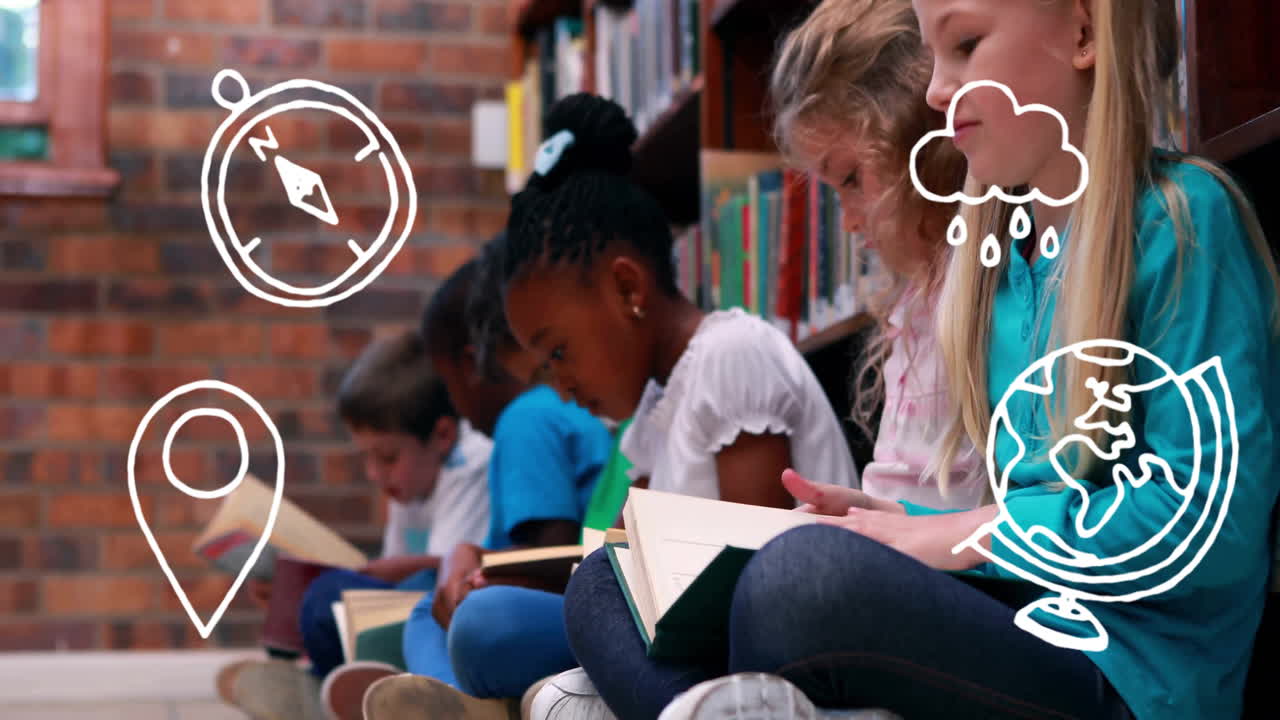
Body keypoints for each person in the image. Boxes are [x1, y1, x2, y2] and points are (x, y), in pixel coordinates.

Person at [585, 0, 1280, 718]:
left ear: (1082, 32)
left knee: (797, 580)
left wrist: (958, 534)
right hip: (1022, 614)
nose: (937, 90)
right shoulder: (1003, 264)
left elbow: (1208, 525)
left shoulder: (1183, 221)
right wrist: (893, 518)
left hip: (1129, 673)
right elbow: (1018, 517)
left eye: (967, 45)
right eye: (933, 55)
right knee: (609, 581)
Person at [502, 92, 860, 719]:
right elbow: (620, 568)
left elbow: (753, 578)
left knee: (588, 597)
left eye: (557, 352)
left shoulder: (732, 352)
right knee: (509, 619)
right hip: (697, 650)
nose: (559, 385)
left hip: (778, 649)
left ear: (627, 287)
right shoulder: (654, 414)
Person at [361, 251, 613, 720]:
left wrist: (479, 568)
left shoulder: (525, 420)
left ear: (471, 363)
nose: (453, 404)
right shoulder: (547, 415)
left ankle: (464, 703)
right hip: (585, 601)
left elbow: (548, 555)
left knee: (461, 616)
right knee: (428, 610)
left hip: (574, 609)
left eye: (448, 383)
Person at [217, 331, 492, 720]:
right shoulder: (410, 482)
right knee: (319, 598)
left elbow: (444, 576)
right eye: (366, 458)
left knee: (329, 598)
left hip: (443, 615)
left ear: (443, 435)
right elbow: (393, 573)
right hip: (410, 606)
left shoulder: (469, 466)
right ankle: (327, 687)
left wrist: (352, 578)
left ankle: (334, 689)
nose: (375, 474)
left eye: (387, 457)